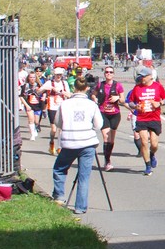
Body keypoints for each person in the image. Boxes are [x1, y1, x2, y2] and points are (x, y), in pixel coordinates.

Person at [51, 76, 102, 214]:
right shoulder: (92, 105)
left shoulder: (65, 104)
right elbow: (98, 125)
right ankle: (80, 207)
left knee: (59, 169)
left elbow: (58, 122)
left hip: (69, 142)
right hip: (87, 142)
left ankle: (59, 196)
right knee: (84, 176)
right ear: (87, 88)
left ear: (74, 88)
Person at [126, 66, 165, 176]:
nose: (141, 79)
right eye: (140, 77)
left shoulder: (158, 86)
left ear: (149, 76)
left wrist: (159, 103)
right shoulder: (137, 88)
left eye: (143, 77)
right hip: (142, 118)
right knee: (144, 142)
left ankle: (152, 154)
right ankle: (147, 166)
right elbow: (130, 102)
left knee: (154, 144)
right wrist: (136, 106)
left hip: (154, 118)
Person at [94, 65, 124, 171]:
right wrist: (94, 99)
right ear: (104, 74)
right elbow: (93, 94)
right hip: (103, 113)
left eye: (111, 72)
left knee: (111, 139)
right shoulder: (100, 85)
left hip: (115, 114)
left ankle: (108, 157)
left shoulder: (118, 85)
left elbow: (123, 100)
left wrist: (117, 98)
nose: (108, 74)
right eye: (107, 72)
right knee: (106, 137)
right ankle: (107, 161)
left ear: (113, 74)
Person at [41, 67, 70, 155]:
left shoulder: (64, 83)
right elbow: (39, 90)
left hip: (62, 107)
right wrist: (48, 88)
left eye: (60, 75)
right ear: (54, 75)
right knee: (54, 129)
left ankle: (59, 147)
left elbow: (69, 95)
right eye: (57, 75)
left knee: (60, 128)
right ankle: (52, 142)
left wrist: (61, 92)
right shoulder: (49, 82)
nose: (59, 76)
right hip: (52, 107)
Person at [19, 70, 43, 141]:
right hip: (29, 104)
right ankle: (32, 134)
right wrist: (26, 105)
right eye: (31, 77)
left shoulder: (39, 86)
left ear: (36, 78)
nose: (32, 79)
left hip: (37, 105)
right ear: (28, 78)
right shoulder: (25, 86)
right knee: (31, 119)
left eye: (33, 77)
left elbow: (44, 94)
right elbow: (21, 96)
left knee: (36, 121)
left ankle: (35, 128)